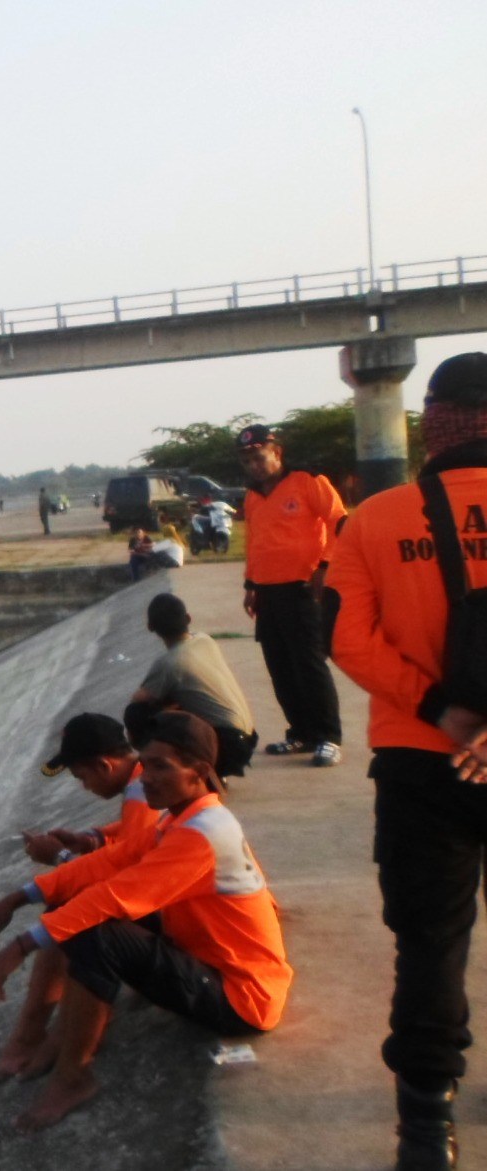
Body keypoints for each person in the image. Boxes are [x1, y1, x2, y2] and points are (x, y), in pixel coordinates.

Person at [0, 711, 292, 1133]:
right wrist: (18, 897)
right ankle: (59, 1038)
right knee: (79, 917)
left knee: (96, 934)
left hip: (240, 997)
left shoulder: (203, 832)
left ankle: (73, 1077)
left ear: (198, 772)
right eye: (147, 764)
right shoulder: (180, 818)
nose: (145, 777)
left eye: (161, 766)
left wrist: (20, 946)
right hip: (208, 958)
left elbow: (116, 894)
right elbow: (114, 859)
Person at [325, 352, 487, 1170]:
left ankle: (426, 1129)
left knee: (429, 941)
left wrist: (439, 710)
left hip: (423, 762)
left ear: (431, 420)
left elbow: (344, 637)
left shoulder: (375, 520)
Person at [0, 715, 157, 1083]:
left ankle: (35, 1035)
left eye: (82, 778)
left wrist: (59, 859)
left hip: (178, 922)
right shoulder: (142, 783)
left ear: (103, 765)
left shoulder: (144, 792)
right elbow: (136, 844)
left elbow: (130, 881)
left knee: (74, 910)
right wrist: (91, 839)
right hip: (163, 903)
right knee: (72, 904)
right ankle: (40, 1032)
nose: (83, 787)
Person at [238, 422, 348, 766]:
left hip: (302, 589)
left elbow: (339, 522)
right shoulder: (253, 496)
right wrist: (251, 585)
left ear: (276, 453)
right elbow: (255, 544)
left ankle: (328, 736)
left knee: (309, 664)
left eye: (260, 456)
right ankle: (300, 733)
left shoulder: (307, 481)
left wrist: (325, 565)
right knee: (280, 665)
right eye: (248, 460)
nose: (255, 464)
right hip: (268, 593)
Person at [125, 593, 258, 778]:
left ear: (150, 627)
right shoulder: (205, 640)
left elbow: (137, 702)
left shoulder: (169, 663)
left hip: (228, 745)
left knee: (137, 714)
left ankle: (164, 767)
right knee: (174, 702)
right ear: (188, 618)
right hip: (248, 739)